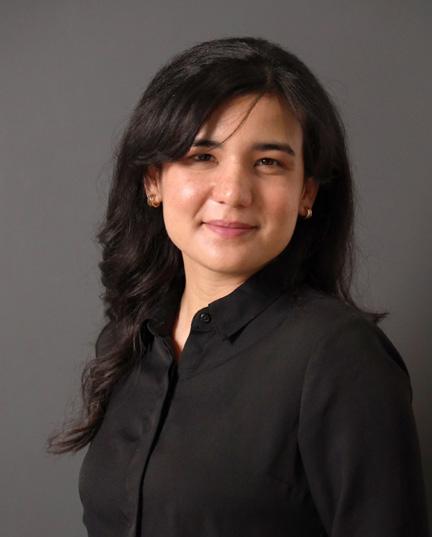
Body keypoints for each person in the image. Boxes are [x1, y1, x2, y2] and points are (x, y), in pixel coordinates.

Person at [47, 36, 429, 536]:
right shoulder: (130, 341)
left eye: (268, 162)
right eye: (202, 156)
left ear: (306, 192)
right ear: (153, 181)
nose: (232, 192)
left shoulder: (339, 357)